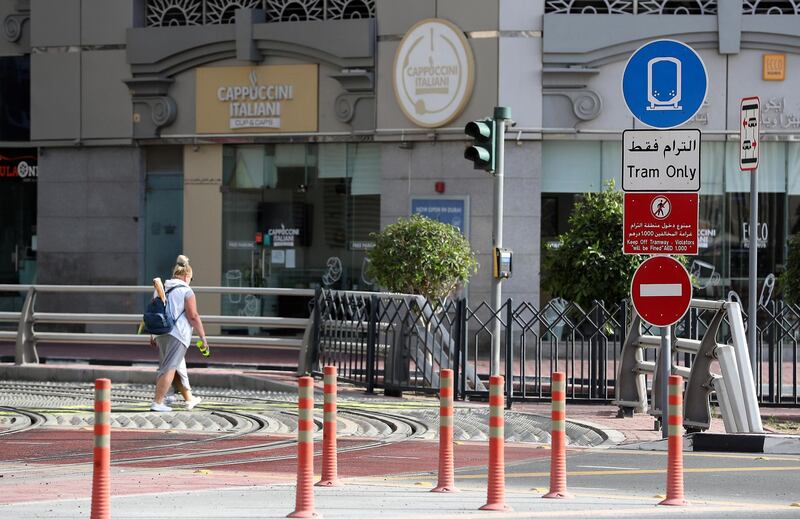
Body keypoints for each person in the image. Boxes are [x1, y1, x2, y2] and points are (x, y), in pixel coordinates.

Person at [150, 255, 208, 412]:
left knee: (174, 365)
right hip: (177, 334)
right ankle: (157, 402)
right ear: (187, 276)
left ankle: (187, 398)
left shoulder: (161, 288)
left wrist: (152, 335)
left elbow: (156, 311)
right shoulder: (186, 291)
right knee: (169, 368)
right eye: (191, 278)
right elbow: (193, 316)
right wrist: (202, 336)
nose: (190, 281)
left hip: (160, 333)